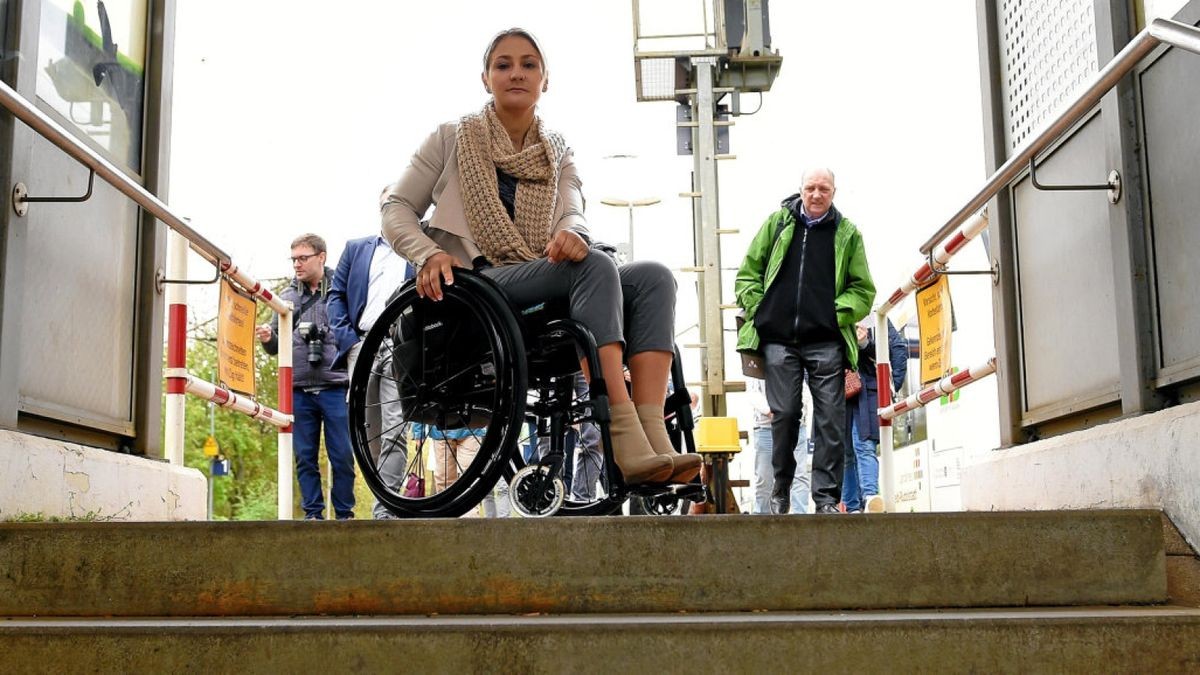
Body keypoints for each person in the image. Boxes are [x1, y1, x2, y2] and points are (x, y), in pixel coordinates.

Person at [379, 28, 700, 486]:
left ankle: (652, 435)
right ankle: (622, 434)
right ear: (486, 78)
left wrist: (572, 232)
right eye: (503, 64)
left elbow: (573, 209)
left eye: (529, 64)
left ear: (544, 80)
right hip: (476, 290)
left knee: (653, 278)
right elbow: (395, 208)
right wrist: (428, 254)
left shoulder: (558, 152)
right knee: (593, 267)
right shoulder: (451, 138)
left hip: (540, 281)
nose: (516, 73)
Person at [734, 169, 875, 515]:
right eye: (810, 188)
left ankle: (826, 499)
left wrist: (833, 313)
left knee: (830, 417)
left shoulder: (847, 234)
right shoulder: (777, 224)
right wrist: (761, 308)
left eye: (823, 189)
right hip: (779, 340)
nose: (816, 194)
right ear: (800, 190)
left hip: (826, 340)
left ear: (833, 192)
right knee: (784, 414)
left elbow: (863, 291)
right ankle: (781, 487)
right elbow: (746, 274)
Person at [257, 233, 355, 520]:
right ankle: (313, 516)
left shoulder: (342, 291)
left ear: (321, 257)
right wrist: (267, 337)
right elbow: (275, 346)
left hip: (336, 386)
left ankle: (344, 515)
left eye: (303, 258)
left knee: (343, 456)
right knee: (304, 458)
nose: (296, 265)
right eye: (293, 259)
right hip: (299, 389)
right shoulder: (285, 298)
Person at [327, 234, 413, 520]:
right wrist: (348, 340)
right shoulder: (355, 248)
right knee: (366, 433)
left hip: (401, 344)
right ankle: (385, 493)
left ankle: (385, 510)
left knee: (395, 427)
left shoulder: (417, 244)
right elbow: (336, 295)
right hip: (362, 345)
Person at [843, 318, 908, 513]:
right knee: (845, 451)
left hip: (866, 394)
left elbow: (897, 349)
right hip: (840, 393)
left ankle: (870, 498)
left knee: (863, 445)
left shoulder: (875, 316)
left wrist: (890, 387)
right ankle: (853, 506)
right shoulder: (827, 308)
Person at [746, 377, 812, 514]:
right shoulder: (756, 361)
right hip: (765, 427)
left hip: (795, 425)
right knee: (764, 477)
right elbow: (752, 392)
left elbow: (804, 389)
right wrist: (772, 412)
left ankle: (801, 518)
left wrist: (791, 413)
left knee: (800, 475)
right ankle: (761, 520)